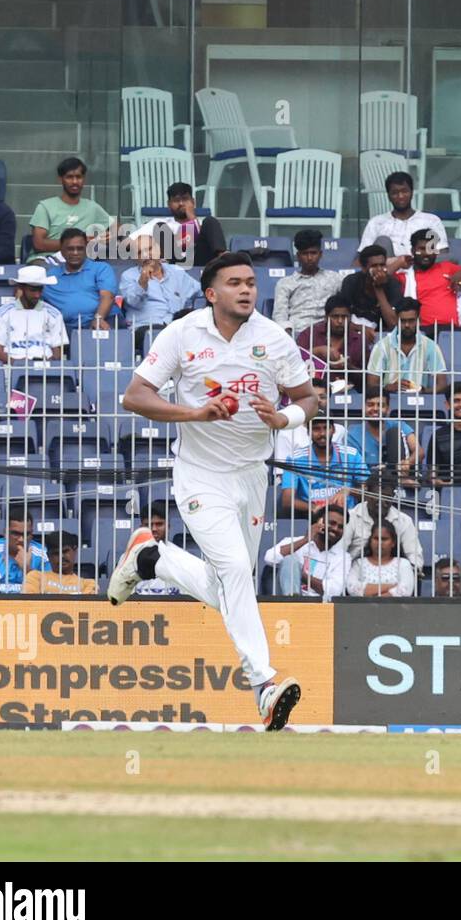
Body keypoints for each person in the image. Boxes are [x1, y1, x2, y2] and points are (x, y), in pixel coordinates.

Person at [110, 250, 317, 732]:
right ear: (211, 293)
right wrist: (194, 413)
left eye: (251, 282)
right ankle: (263, 684)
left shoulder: (273, 337)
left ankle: (153, 560)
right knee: (235, 572)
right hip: (200, 475)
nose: (247, 290)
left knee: (232, 582)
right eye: (235, 283)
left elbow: (309, 398)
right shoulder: (182, 333)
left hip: (252, 474)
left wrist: (282, 417)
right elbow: (135, 396)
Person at [279, 414, 371, 516]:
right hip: (311, 517)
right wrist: (314, 508)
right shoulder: (294, 459)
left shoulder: (351, 455)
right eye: (316, 429)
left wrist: (349, 491)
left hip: (348, 517)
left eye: (326, 428)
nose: (322, 433)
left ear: (333, 430)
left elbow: (368, 488)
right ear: (308, 432)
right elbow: (287, 500)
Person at [127, 181, 227, 268]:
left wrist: (192, 219)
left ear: (193, 202)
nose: (181, 204)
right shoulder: (157, 223)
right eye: (176, 200)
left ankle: (226, 259)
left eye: (185, 199)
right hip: (171, 264)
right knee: (161, 227)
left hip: (200, 262)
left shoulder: (204, 225)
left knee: (210, 220)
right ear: (169, 205)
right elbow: (128, 243)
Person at [262, 503, 350, 600]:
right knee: (290, 560)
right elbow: (269, 558)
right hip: (285, 599)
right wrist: (305, 540)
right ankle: (294, 601)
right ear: (319, 522)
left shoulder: (343, 557)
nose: (335, 529)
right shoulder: (294, 542)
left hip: (319, 605)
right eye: (331, 523)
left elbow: (334, 591)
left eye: (340, 527)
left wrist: (300, 573)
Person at [27, 156, 110, 257]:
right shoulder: (45, 207)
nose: (75, 181)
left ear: (84, 179)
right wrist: (82, 242)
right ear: (60, 179)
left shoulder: (92, 207)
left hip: (82, 262)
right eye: (69, 177)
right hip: (47, 260)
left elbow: (116, 228)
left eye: (79, 177)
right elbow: (39, 244)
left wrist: (108, 237)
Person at [365, 297, 447, 396]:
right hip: (390, 402)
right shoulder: (382, 346)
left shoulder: (430, 346)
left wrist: (423, 391)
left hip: (419, 403)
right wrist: (388, 388)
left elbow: (442, 385)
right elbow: (371, 384)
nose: (407, 325)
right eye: (403, 321)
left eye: (411, 321)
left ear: (419, 320)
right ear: (396, 320)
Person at [119, 232, 203, 326]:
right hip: (147, 329)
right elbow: (134, 302)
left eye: (149, 249)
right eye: (139, 253)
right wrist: (143, 281)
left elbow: (201, 291)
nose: (145, 255)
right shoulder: (129, 276)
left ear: (158, 248)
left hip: (178, 328)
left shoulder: (177, 272)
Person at [0, 265, 68, 362]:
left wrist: (46, 364)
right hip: (11, 367)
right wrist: (18, 364)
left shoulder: (54, 314)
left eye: (40, 289)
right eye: (33, 290)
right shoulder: (3, 313)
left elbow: (58, 351)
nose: (37, 295)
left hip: (45, 368)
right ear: (21, 287)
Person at [42, 227, 118, 329]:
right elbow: (33, 292)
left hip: (105, 319)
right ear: (61, 250)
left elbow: (107, 297)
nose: (75, 253)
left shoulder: (101, 268)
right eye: (70, 249)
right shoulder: (50, 276)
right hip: (68, 327)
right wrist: (21, 290)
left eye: (80, 248)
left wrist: (98, 318)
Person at [359, 170, 447, 258]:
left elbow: (442, 254)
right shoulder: (376, 222)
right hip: (387, 269)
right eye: (395, 193)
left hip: (422, 267)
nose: (400, 196)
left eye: (405, 191)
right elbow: (362, 258)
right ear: (388, 196)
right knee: (383, 241)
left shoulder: (431, 221)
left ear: (412, 193)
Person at [272, 229, 344, 335]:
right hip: (297, 334)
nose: (309, 258)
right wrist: (288, 336)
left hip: (329, 334)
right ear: (298, 256)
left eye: (313, 253)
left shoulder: (335, 279)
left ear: (320, 254)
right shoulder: (285, 283)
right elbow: (280, 316)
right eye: (305, 254)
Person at [340, 481, 424, 570]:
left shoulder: (404, 521)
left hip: (393, 575)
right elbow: (340, 553)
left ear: (393, 496)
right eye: (376, 496)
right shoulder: (351, 517)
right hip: (355, 572)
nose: (381, 501)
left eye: (386, 497)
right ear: (367, 494)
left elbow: (415, 560)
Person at [296, 295, 373, 392]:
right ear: (326, 317)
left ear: (350, 318)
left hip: (350, 391)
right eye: (335, 317)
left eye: (344, 317)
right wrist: (318, 351)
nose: (340, 321)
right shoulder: (309, 334)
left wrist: (348, 367)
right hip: (315, 391)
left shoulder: (359, 340)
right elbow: (294, 362)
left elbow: (369, 378)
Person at [398, 228, 461, 328]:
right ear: (413, 251)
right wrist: (398, 262)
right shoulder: (405, 275)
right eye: (422, 249)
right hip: (424, 331)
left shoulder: (447, 267)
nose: (427, 253)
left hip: (453, 330)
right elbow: (382, 278)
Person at [347, 391, 418, 478]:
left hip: (398, 477)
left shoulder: (398, 425)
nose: (375, 409)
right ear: (363, 408)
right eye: (370, 405)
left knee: (395, 432)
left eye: (381, 405)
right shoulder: (353, 434)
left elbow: (419, 451)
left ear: (388, 409)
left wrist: (407, 463)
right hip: (368, 480)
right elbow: (352, 466)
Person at [339, 243, 402, 331]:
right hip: (354, 333)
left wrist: (378, 288)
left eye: (382, 265)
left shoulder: (393, 284)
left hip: (383, 335)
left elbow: (393, 324)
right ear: (364, 268)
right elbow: (340, 319)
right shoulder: (351, 282)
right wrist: (362, 329)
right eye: (374, 266)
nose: (379, 269)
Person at [345, 520, 417, 597]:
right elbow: (352, 588)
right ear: (370, 541)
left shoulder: (403, 563)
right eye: (376, 538)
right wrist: (389, 586)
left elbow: (405, 590)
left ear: (393, 543)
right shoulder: (358, 563)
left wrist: (371, 594)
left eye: (384, 539)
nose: (379, 542)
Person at [21, 532, 97, 595]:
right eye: (56, 553)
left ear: (75, 551)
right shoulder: (35, 577)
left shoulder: (88, 584)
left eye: (65, 551)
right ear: (48, 556)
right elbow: (30, 606)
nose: (62, 556)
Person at [133, 502, 182, 596]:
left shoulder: (179, 557)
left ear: (168, 526)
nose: (154, 529)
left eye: (159, 524)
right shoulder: (130, 558)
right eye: (148, 525)